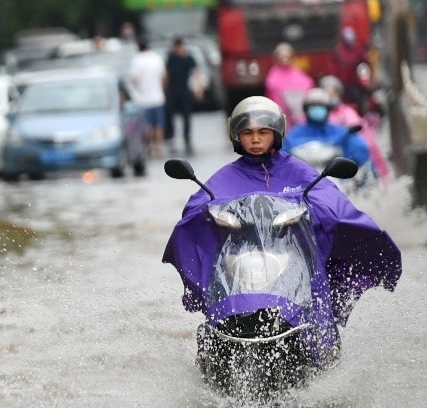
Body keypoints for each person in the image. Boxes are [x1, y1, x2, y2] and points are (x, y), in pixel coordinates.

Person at [162, 96, 399, 339]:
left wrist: (311, 212)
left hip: (293, 258)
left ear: (276, 133)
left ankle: (320, 339)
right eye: (248, 132)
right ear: (236, 136)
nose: (255, 139)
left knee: (316, 287)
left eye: (263, 132)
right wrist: (208, 214)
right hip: (240, 263)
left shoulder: (298, 171)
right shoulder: (225, 176)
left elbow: (331, 203)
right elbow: (198, 205)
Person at [284, 87, 374, 174]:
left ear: (328, 109)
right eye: (314, 106)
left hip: (336, 182)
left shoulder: (343, 133)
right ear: (306, 109)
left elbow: (361, 155)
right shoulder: (294, 133)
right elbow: (283, 157)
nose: (318, 109)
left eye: (321, 106)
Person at [319, 74, 389, 179]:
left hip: (345, 154)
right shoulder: (320, 114)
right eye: (326, 93)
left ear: (338, 94)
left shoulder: (346, 112)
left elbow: (357, 128)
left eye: (332, 93)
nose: (329, 96)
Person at [127, 39, 168, 158]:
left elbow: (134, 78)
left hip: (143, 99)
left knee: (148, 125)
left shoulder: (137, 60)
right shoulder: (156, 58)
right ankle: (159, 147)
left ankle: (149, 147)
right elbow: (163, 75)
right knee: (159, 124)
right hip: (158, 97)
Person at [264, 42, 314, 125]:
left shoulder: (298, 72)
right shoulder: (273, 76)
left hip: (300, 116)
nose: (285, 59)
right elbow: (273, 92)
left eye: (287, 56)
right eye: (282, 57)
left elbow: (309, 85)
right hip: (282, 116)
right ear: (277, 58)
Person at [165, 37, 198, 155]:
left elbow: (195, 72)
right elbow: (167, 73)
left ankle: (187, 138)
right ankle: (171, 137)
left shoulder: (188, 58)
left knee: (186, 115)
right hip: (172, 90)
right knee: (170, 113)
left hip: (184, 89)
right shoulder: (171, 58)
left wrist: (198, 88)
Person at [331, 26, 370, 112]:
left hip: (355, 83)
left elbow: (364, 63)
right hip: (342, 82)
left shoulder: (358, 49)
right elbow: (333, 67)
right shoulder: (339, 51)